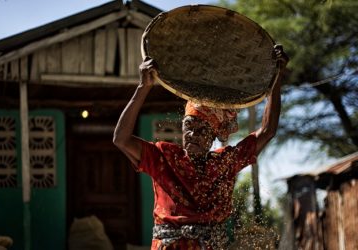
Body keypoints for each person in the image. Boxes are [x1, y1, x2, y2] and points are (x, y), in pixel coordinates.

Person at [113, 45, 288, 250]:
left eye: (202, 129)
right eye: (188, 126)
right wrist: (143, 87)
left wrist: (277, 76)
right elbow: (121, 139)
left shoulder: (225, 162)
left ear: (213, 135)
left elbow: (267, 131)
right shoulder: (165, 156)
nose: (192, 134)